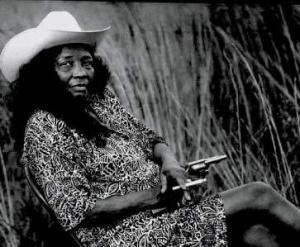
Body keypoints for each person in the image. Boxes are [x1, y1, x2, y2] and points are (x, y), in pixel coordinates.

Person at [1, 11, 300, 247]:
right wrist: (151, 196)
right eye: (66, 64)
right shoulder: (43, 127)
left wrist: (170, 164)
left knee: (258, 234)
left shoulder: (99, 103)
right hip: (127, 236)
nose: (80, 73)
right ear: (44, 72)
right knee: (259, 194)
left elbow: (149, 139)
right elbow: (75, 208)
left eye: (86, 62)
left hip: (161, 213)